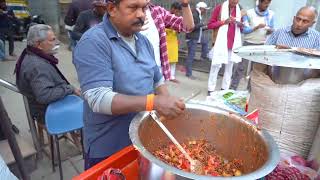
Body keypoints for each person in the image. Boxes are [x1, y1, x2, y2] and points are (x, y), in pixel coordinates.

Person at [73, 0, 186, 169]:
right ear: (112, 9)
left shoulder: (143, 41)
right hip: (110, 147)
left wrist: (167, 103)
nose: (141, 14)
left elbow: (157, 77)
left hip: (143, 138)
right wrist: (154, 102)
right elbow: (98, 99)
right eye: (133, 7)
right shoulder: (94, 41)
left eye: (144, 8)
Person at [14, 24, 81, 146]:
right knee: (90, 106)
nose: (57, 42)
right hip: (46, 110)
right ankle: (83, 135)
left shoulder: (31, 54)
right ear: (39, 44)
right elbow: (44, 95)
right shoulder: (37, 66)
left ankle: (79, 132)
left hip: (43, 104)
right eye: (52, 40)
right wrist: (69, 89)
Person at [140, 0, 194, 81]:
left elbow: (188, 26)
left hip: (156, 72)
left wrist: (185, 5)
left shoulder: (157, 12)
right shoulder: (122, 10)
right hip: (134, 73)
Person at [230, 0, 274, 90]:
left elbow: (271, 29)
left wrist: (269, 30)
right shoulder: (249, 13)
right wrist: (257, 27)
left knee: (255, 70)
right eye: (265, 3)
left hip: (261, 45)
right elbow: (244, 30)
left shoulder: (271, 14)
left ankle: (249, 91)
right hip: (248, 44)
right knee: (241, 68)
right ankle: (232, 88)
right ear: (259, 2)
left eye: (268, 3)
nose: (267, 5)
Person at [207, 0, 243, 94]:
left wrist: (239, 23)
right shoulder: (219, 8)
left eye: (237, 1)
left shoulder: (239, 10)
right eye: (233, 1)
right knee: (215, 66)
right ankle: (211, 89)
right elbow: (210, 25)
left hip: (233, 44)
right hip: (220, 43)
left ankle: (224, 89)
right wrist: (224, 22)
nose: (235, 3)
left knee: (229, 68)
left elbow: (242, 28)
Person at [184, 2, 210, 80]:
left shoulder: (197, 14)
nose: (205, 11)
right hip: (192, 38)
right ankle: (188, 74)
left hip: (196, 37)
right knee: (191, 56)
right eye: (205, 9)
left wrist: (206, 26)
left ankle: (204, 56)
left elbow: (198, 28)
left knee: (205, 41)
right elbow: (191, 27)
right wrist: (201, 24)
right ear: (201, 9)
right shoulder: (194, 14)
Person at [165, 2, 182, 83]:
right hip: (165, 41)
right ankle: (163, 75)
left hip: (173, 41)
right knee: (165, 59)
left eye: (179, 12)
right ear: (172, 9)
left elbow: (179, 30)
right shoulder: (165, 16)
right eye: (177, 11)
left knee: (173, 60)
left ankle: (172, 76)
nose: (178, 13)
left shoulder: (177, 18)